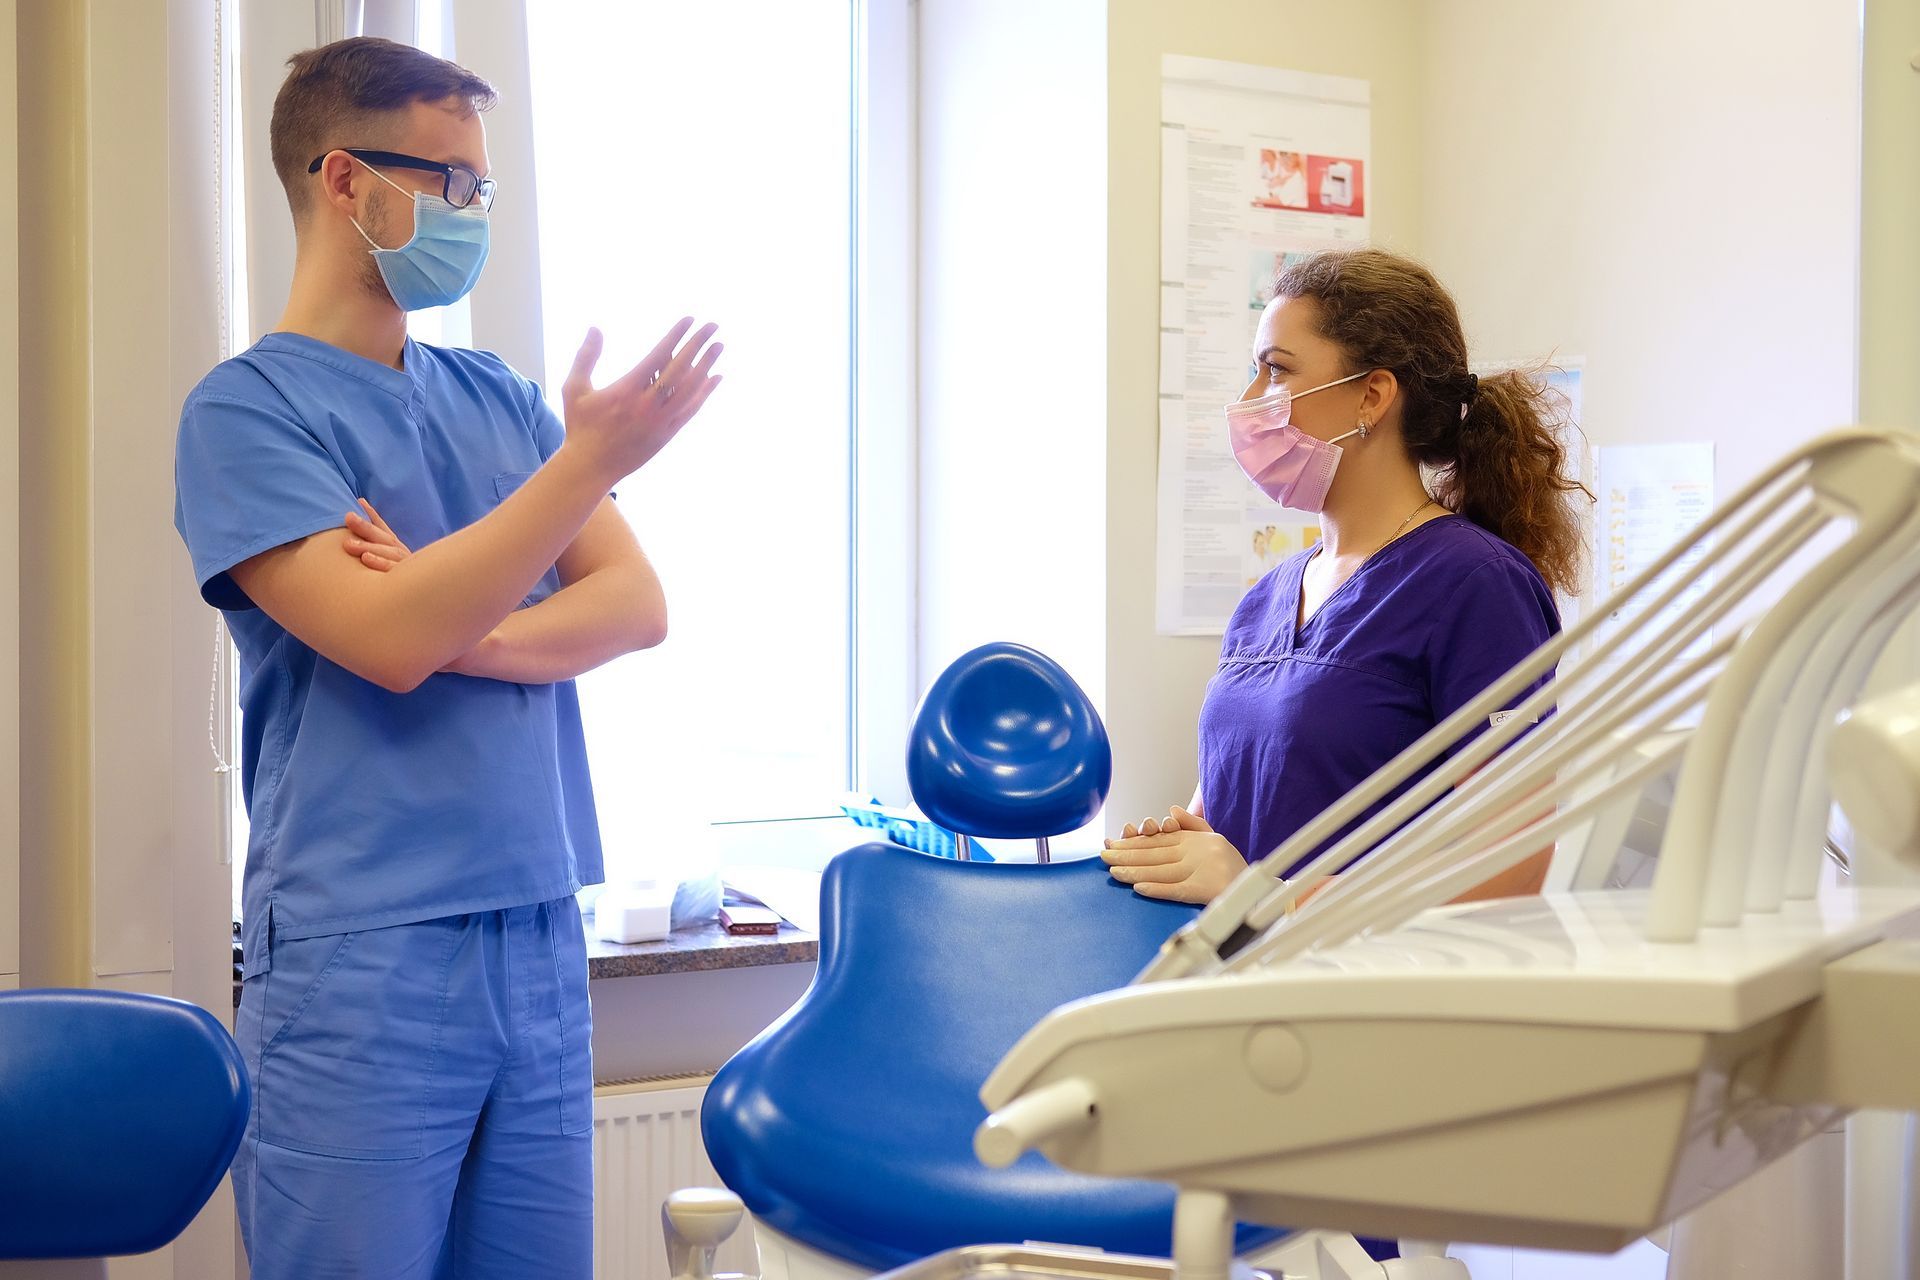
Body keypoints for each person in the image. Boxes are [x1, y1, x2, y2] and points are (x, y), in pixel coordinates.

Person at [172, 37, 721, 1279]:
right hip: (361, 949)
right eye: (451, 183)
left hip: (537, 924)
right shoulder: (247, 412)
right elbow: (386, 639)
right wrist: (586, 467)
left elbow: (634, 604)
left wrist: (452, 624)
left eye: (483, 187)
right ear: (345, 180)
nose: (473, 212)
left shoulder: (499, 396)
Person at [1104, 248, 1585, 908]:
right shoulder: (1264, 602)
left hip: (1368, 972)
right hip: (1239, 966)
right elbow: (1226, 831)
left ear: (1372, 395)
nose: (1248, 401)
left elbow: (1512, 865)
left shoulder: (1477, 585)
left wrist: (1266, 898)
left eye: (1277, 371)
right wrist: (1173, 853)